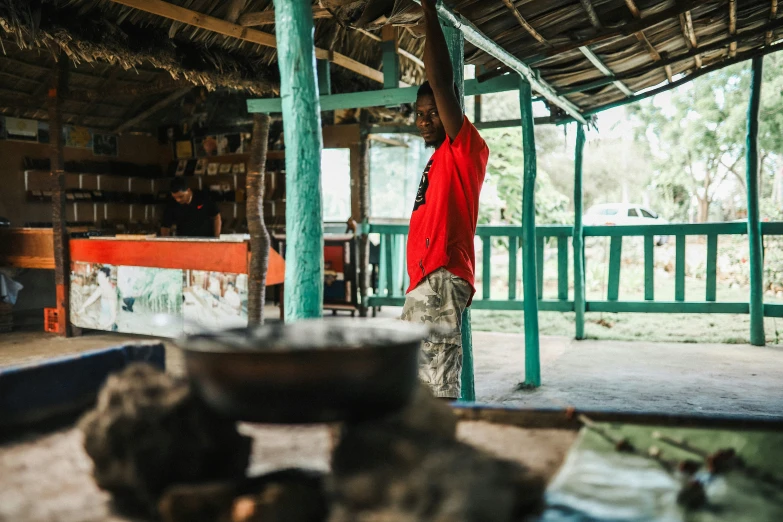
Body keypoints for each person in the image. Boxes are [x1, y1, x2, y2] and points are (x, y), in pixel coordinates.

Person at [399, 0, 489, 400]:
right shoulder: (437, 160)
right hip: (424, 279)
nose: (423, 121)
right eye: (418, 114)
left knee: (436, 385)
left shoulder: (464, 149)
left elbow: (439, 83)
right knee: (418, 380)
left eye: (432, 113)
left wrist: (428, 12)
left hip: (440, 276)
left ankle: (439, 451)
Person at [78, 266, 119, 331]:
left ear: (107, 279)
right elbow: (92, 298)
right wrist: (83, 307)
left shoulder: (111, 294)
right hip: (101, 320)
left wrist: (103, 327)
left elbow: (113, 317)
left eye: (101, 278)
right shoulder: (101, 288)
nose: (99, 280)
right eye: (98, 278)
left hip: (108, 325)